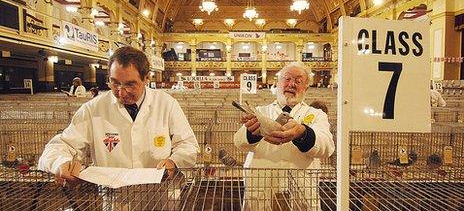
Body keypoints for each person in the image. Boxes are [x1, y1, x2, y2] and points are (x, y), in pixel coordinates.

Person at [39, 46, 199, 188]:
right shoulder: (93, 108)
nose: (121, 92)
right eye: (114, 83)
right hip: (115, 199)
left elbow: (187, 144)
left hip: (159, 194)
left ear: (146, 78)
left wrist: (174, 161)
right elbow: (59, 146)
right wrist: (61, 162)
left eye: (130, 84)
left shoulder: (166, 104)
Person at [234, 62, 335, 210]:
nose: (292, 84)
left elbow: (327, 147)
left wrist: (303, 133)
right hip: (262, 191)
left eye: (298, 81)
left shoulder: (316, 114)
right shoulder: (260, 112)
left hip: (300, 193)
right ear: (278, 83)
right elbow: (239, 142)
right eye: (287, 79)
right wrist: (252, 132)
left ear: (306, 88)